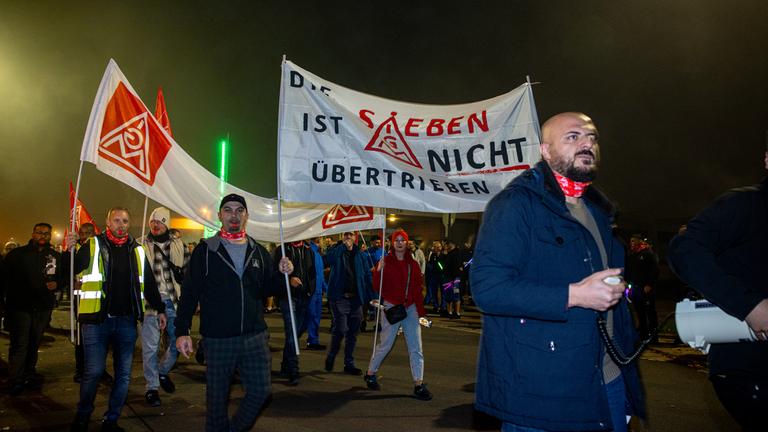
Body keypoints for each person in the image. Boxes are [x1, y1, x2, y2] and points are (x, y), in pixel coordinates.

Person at [471, 112, 643, 431]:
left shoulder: (599, 211)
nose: (586, 143)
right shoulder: (515, 205)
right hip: (544, 389)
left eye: (591, 137)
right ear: (546, 151)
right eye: (572, 137)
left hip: (608, 379)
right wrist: (574, 295)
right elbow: (488, 289)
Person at [667, 145, 768, 431]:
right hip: (751, 368)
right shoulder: (744, 204)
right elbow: (683, 249)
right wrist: (749, 306)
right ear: (766, 159)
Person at [175, 194, 294, 432]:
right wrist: (182, 331)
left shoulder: (258, 251)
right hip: (218, 339)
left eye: (240, 210)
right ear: (220, 215)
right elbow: (189, 293)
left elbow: (268, 289)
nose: (234, 215)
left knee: (261, 391)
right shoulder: (206, 251)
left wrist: (284, 274)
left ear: (246, 216)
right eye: (228, 210)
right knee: (217, 403)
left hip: (254, 337)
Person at [69, 207, 167, 432]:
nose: (121, 225)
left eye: (125, 221)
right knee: (93, 372)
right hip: (96, 321)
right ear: (108, 221)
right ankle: (82, 416)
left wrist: (160, 309)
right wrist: (71, 249)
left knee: (123, 375)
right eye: (117, 220)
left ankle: (111, 420)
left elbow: (149, 283)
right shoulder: (92, 245)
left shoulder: (138, 250)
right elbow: (70, 268)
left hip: (126, 322)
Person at [364, 229, 432, 401]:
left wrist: (421, 314)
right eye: (397, 240)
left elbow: (417, 290)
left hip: (410, 309)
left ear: (407, 243)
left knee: (416, 347)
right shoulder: (385, 261)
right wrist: (378, 271)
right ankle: (371, 372)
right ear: (392, 243)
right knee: (386, 344)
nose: (400, 243)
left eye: (403, 240)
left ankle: (419, 383)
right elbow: (376, 286)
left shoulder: (413, 264)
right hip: (392, 307)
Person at [1, 223, 62, 396]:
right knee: (20, 344)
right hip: (20, 307)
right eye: (39, 232)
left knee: (34, 342)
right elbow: (3, 279)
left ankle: (29, 373)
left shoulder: (54, 256)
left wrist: (57, 283)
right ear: (33, 233)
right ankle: (15, 379)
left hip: (43, 307)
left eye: (46, 234)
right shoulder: (16, 255)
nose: (43, 236)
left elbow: (62, 276)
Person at [141, 207, 188, 406]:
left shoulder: (179, 245)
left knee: (178, 342)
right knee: (150, 347)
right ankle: (152, 387)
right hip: (150, 303)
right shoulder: (140, 244)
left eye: (159, 221)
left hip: (174, 302)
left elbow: (188, 275)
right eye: (153, 221)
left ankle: (162, 371)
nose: (155, 225)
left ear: (166, 223)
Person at [322, 231, 372, 375]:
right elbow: (326, 260)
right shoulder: (337, 251)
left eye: (351, 235)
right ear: (342, 237)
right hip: (340, 298)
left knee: (353, 333)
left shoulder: (360, 254)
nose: (348, 237)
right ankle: (331, 356)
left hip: (356, 299)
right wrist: (343, 247)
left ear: (355, 238)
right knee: (341, 329)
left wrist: (373, 296)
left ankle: (349, 363)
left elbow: (367, 275)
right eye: (346, 235)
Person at [273, 239, 316, 385]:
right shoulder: (282, 250)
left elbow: (312, 271)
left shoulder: (308, 249)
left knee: (297, 332)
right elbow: (274, 273)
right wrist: (289, 279)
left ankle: (286, 364)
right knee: (292, 334)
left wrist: (311, 289)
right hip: (288, 297)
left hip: (304, 296)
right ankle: (293, 369)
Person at [68, 222, 97, 383]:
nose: (86, 235)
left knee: (97, 337)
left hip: (96, 297)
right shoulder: (75, 249)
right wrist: (72, 281)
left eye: (89, 232)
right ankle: (81, 369)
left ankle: (97, 369)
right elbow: (67, 269)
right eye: (83, 232)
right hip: (80, 299)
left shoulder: (97, 248)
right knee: (81, 337)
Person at [625, 234, 659, 341]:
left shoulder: (648, 254)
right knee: (640, 312)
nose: (632, 243)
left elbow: (654, 270)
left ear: (639, 242)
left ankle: (654, 336)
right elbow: (629, 272)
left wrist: (649, 284)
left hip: (646, 288)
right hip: (635, 288)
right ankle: (643, 334)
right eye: (631, 241)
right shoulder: (632, 255)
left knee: (650, 312)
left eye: (634, 241)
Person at [305, 238, 327, 350]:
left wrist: (325, 288)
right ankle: (311, 340)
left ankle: (313, 340)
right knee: (312, 316)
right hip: (312, 290)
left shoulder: (317, 253)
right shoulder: (311, 252)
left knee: (315, 316)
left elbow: (320, 274)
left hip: (317, 290)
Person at [424, 241, 444, 314]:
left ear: (441, 247)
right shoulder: (432, 255)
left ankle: (443, 307)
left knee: (443, 292)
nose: (436, 248)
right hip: (434, 276)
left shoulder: (443, 255)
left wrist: (439, 264)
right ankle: (435, 306)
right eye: (435, 247)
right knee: (434, 291)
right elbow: (430, 264)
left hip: (442, 275)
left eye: (438, 247)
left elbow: (442, 266)